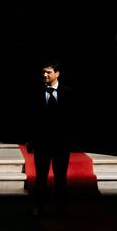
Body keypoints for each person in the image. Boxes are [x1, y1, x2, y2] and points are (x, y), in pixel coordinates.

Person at [26, 59, 74, 216]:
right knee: (41, 177)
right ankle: (40, 207)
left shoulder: (68, 93)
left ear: (57, 74)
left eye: (48, 72)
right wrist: (31, 141)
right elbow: (30, 119)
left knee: (61, 177)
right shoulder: (34, 93)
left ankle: (61, 208)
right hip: (42, 144)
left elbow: (74, 119)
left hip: (61, 144)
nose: (45, 75)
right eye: (43, 72)